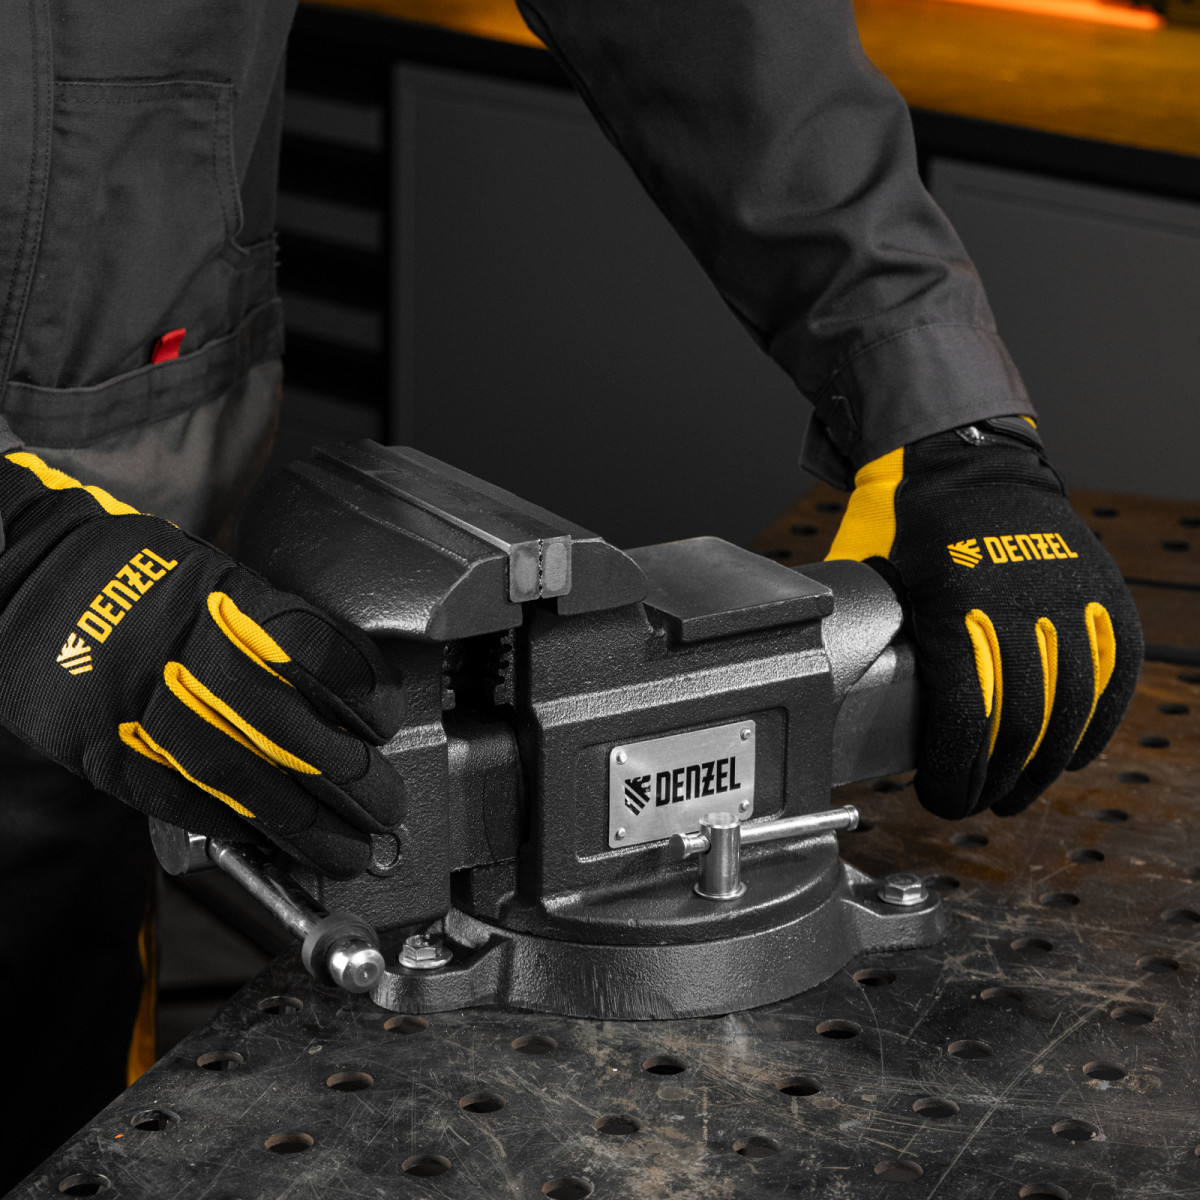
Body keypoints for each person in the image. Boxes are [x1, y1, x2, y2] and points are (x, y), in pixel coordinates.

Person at [0, 0, 1141, 1185]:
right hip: (88, 607)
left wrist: (939, 407)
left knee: (58, 1099)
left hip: (135, 616)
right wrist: (18, 546)